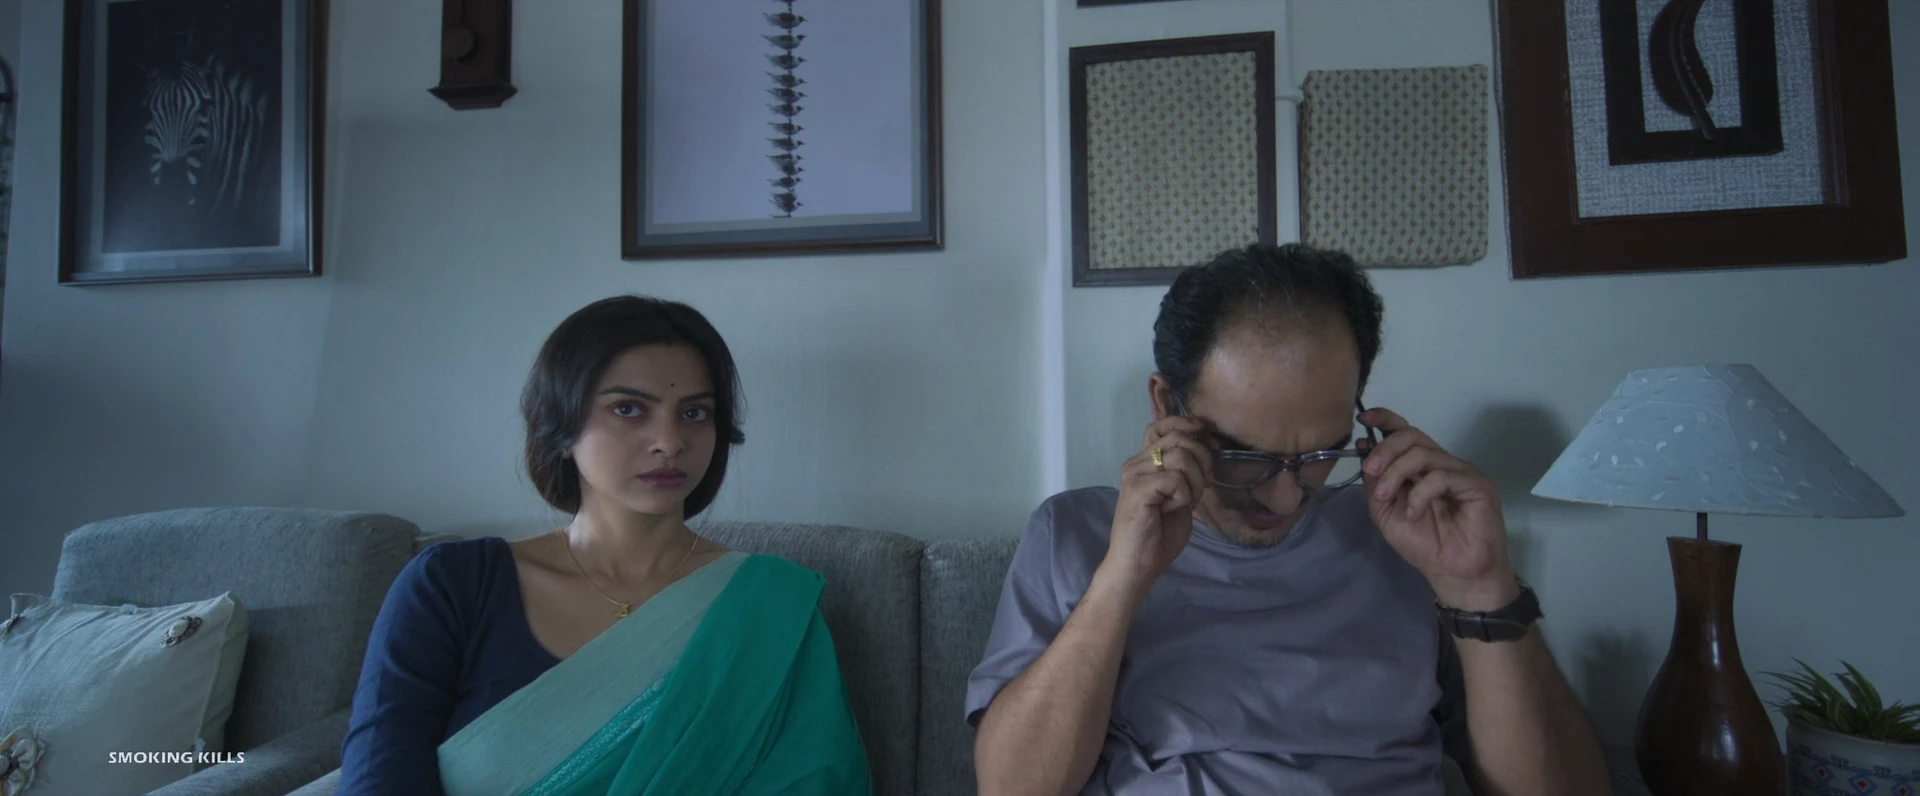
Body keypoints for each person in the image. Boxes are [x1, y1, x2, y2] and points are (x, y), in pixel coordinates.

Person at [968, 244, 1610, 796]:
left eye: (1320, 456)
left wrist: (1481, 588)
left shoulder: (1412, 538)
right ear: (1167, 405)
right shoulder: (1074, 533)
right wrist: (1121, 580)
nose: (1284, 498)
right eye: (1242, 456)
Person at [338, 296, 871, 796]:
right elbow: (379, 778)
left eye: (694, 413)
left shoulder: (768, 607)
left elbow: (813, 778)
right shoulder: (452, 586)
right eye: (628, 409)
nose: (669, 442)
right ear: (561, 424)